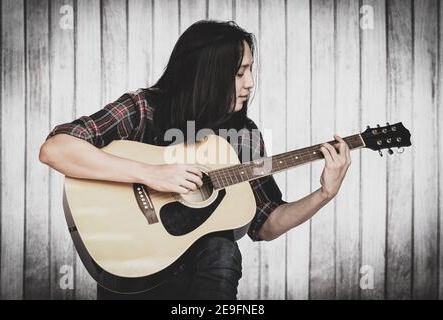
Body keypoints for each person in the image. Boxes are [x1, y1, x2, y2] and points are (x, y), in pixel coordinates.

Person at [39, 20, 351, 300]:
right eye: (240, 72)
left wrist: (325, 194)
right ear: (209, 74)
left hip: (203, 271)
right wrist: (151, 173)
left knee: (223, 249)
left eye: (251, 70)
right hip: (133, 263)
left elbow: (266, 224)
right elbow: (56, 148)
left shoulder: (242, 135)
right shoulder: (144, 109)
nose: (251, 83)